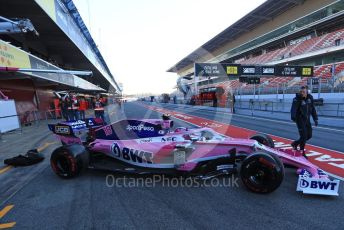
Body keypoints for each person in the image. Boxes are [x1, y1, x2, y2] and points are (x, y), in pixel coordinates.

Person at [290, 86, 318, 156]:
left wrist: (315, 118)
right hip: (300, 119)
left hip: (307, 120)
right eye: (301, 92)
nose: (302, 93)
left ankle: (295, 143)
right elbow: (293, 109)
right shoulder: (296, 99)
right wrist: (293, 117)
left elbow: (313, 109)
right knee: (304, 136)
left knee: (309, 135)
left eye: (303, 92)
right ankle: (301, 152)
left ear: (307, 92)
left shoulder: (310, 98)